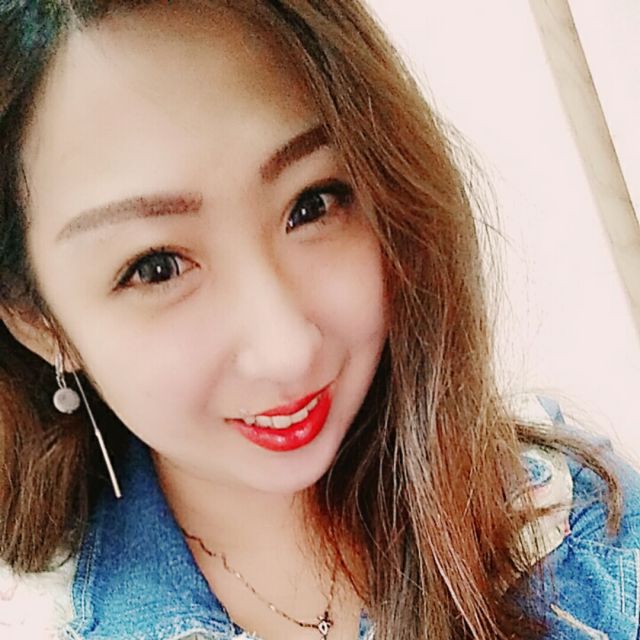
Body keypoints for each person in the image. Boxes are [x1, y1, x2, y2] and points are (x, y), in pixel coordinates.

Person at [0, 1, 638, 639]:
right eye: (157, 267)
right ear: (38, 319)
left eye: (312, 204)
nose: (286, 349)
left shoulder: (575, 533)